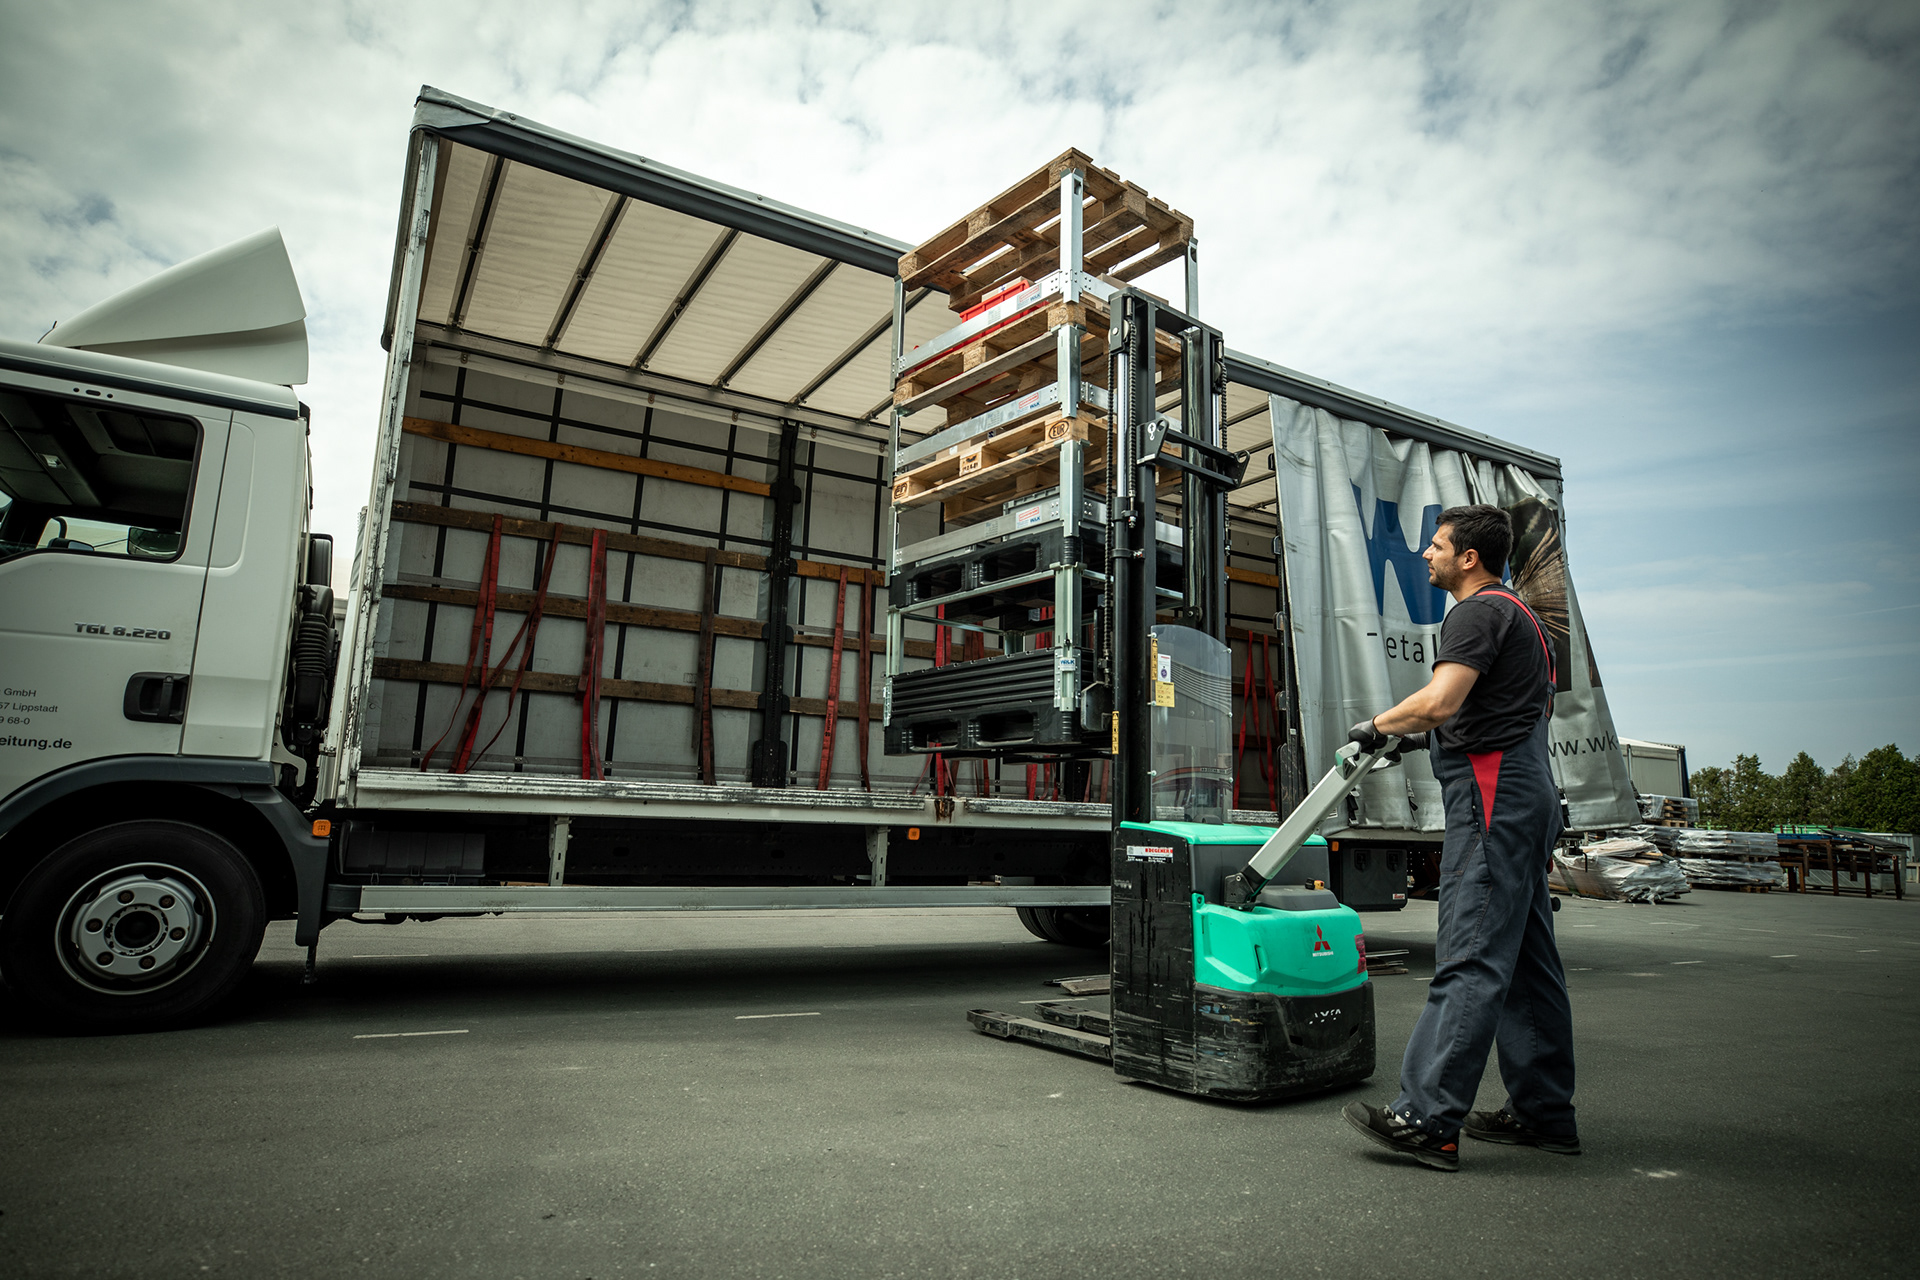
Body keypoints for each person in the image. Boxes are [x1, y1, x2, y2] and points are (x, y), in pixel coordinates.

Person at [1340, 503, 1577, 1172]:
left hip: (1493, 800)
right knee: (1527, 963)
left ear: (1469, 558)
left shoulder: (1476, 612)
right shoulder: (1523, 617)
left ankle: (1428, 1119)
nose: (1427, 554)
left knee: (1469, 954)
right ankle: (1544, 1113)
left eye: (1438, 545)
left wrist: (1378, 725)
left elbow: (1441, 702)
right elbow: (1491, 711)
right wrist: (1421, 740)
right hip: (1526, 793)